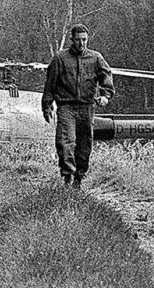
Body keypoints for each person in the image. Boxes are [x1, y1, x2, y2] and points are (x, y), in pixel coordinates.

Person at [42, 23, 115, 186]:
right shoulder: (60, 58)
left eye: (84, 40)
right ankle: (67, 176)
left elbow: (106, 76)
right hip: (66, 107)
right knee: (66, 141)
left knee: (84, 144)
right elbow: (50, 84)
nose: (81, 43)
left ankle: (79, 178)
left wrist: (105, 95)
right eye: (78, 40)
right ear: (71, 40)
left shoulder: (96, 58)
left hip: (87, 107)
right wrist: (47, 106)